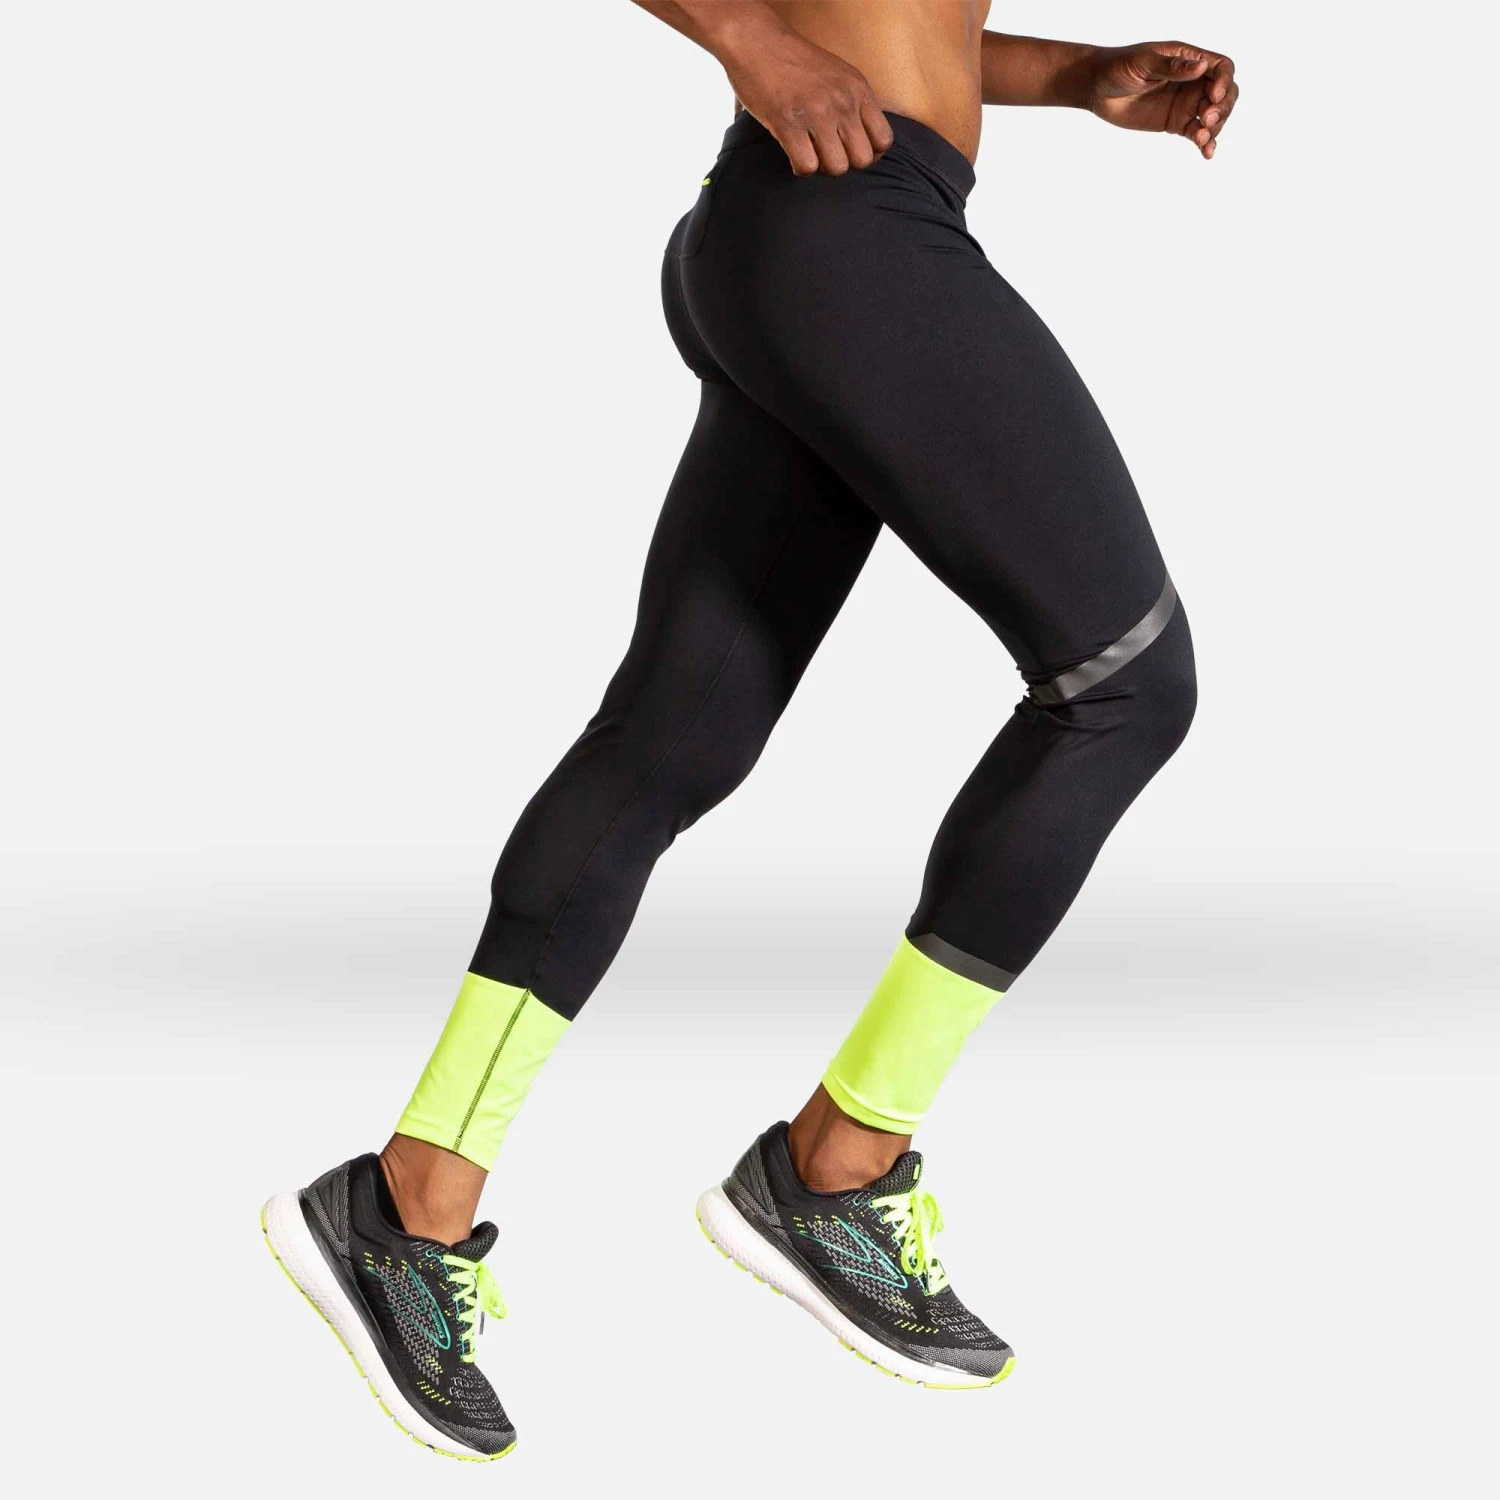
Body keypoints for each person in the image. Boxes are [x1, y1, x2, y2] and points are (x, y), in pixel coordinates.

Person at [261, 0, 1237, 1462]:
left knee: (670, 741)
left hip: (812, 234)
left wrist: (1070, 76)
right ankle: (837, 1168)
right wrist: (749, 44)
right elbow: (808, 33)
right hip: (847, 233)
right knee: (1125, 685)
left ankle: (408, 1202)